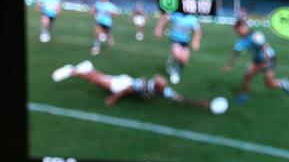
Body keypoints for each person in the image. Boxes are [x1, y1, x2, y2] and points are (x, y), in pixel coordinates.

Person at [51, 60, 208, 109]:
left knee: (98, 77)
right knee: (94, 80)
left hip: (125, 81)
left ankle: (88, 67)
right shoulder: (146, 86)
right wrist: (113, 98)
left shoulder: (164, 90)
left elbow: (179, 98)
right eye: (161, 86)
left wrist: (201, 104)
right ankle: (72, 71)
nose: (163, 89)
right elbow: (127, 89)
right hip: (120, 85)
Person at [223, 19, 289, 103]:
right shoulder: (241, 41)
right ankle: (243, 95)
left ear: (245, 27)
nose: (239, 31)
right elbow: (236, 52)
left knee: (269, 84)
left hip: (269, 59)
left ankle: (283, 83)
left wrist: (266, 62)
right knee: (247, 76)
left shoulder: (256, 35)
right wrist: (230, 64)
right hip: (257, 60)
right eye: (237, 30)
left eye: (240, 28)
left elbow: (265, 48)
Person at [155, 11, 202, 84]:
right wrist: (160, 29)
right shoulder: (176, 14)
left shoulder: (192, 19)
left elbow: (197, 31)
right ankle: (173, 71)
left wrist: (196, 41)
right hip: (175, 40)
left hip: (185, 42)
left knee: (184, 61)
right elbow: (165, 19)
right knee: (177, 56)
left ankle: (176, 70)